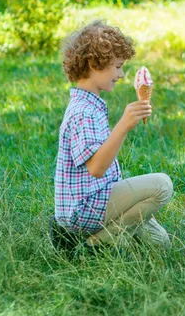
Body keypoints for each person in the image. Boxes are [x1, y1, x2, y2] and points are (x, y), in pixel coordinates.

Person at [50, 20, 173, 253]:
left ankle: (111, 236)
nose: (121, 74)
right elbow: (96, 168)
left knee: (159, 243)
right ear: (93, 64)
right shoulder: (83, 112)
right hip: (82, 209)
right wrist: (123, 126)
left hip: (97, 198)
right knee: (162, 186)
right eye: (117, 66)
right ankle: (88, 245)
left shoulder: (90, 104)